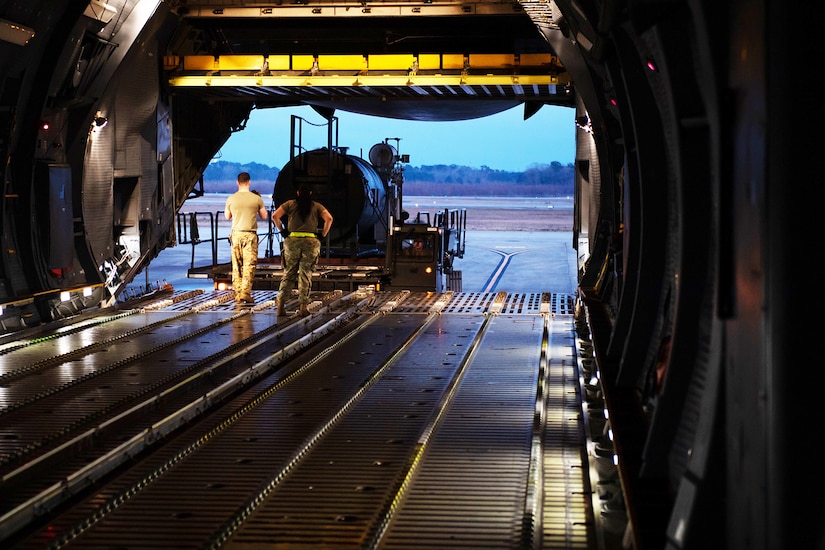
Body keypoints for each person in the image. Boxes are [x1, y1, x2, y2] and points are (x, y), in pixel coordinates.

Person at [271, 184, 333, 317]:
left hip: (292, 241)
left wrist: (282, 231)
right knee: (305, 274)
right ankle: (303, 307)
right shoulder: (316, 206)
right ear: (311, 193)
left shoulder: (290, 204)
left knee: (289, 273)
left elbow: (275, 216)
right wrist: (323, 235)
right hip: (311, 242)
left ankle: (281, 306)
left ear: (297, 193)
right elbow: (329, 218)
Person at [224, 172, 267, 305]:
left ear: (237, 182)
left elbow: (227, 216)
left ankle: (237, 293)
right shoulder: (256, 199)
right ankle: (245, 293)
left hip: (236, 235)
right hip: (250, 235)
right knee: (249, 265)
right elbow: (264, 216)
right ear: (249, 182)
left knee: (236, 265)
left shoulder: (231, 199)